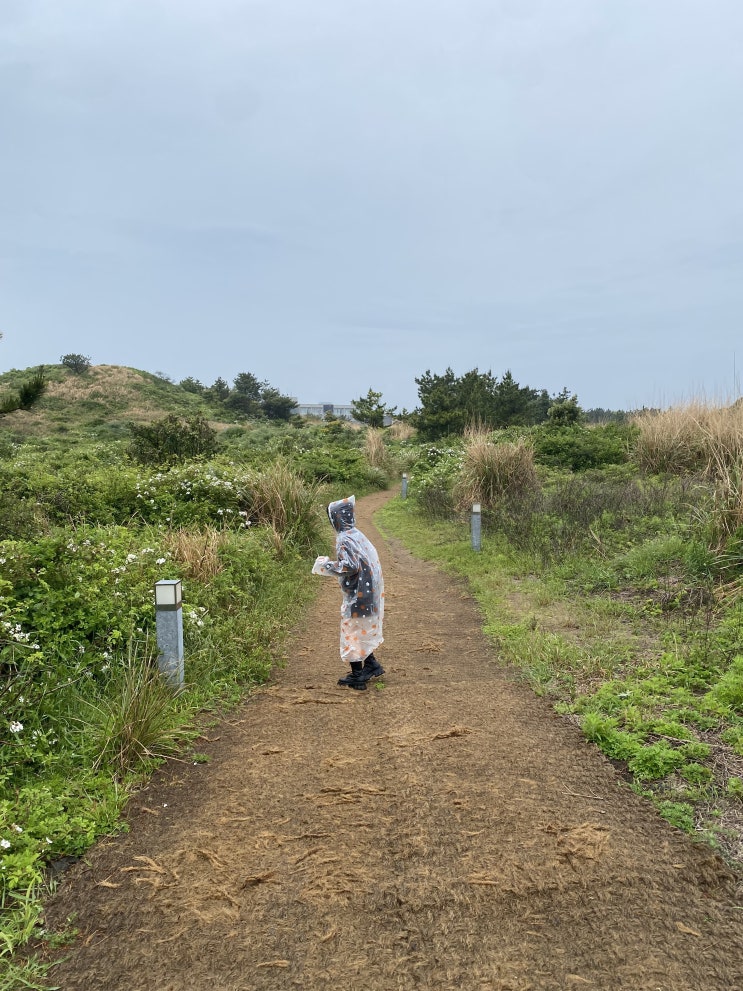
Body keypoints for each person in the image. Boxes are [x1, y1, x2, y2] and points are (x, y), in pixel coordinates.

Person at [311, 495, 385, 691]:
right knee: (361, 629)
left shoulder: (344, 539)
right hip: (369, 593)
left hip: (359, 594)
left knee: (351, 631)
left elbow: (350, 566)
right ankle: (371, 664)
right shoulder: (357, 534)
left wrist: (325, 565)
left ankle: (358, 675)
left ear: (335, 518)